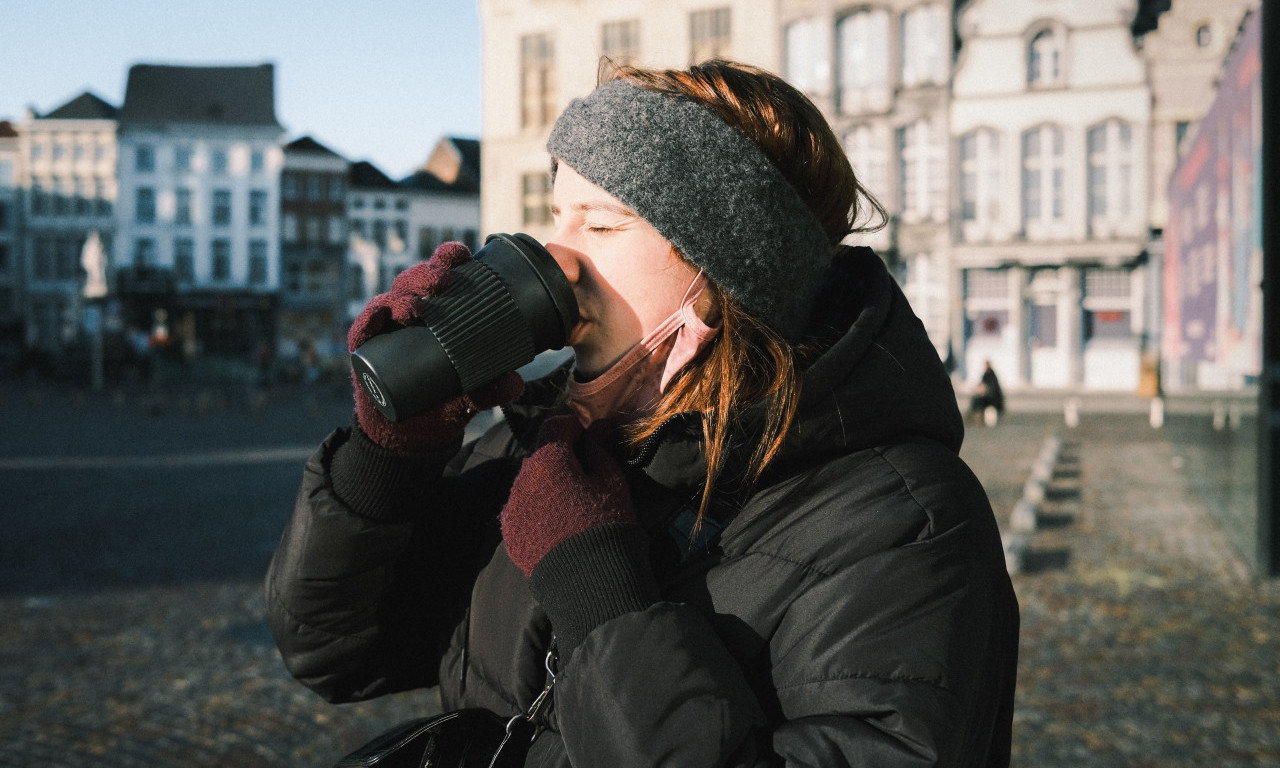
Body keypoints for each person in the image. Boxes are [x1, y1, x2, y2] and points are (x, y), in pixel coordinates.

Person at [266, 60, 1019, 766]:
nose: (557, 259)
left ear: (725, 276)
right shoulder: (548, 444)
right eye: (556, 217)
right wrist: (389, 458)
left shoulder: (907, 526)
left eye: (601, 225)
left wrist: (601, 595)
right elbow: (332, 651)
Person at [969, 360, 1005, 426]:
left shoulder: (991, 375)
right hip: (988, 396)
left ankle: (977, 415)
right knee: (976, 399)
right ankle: (976, 414)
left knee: (978, 400)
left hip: (993, 398)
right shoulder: (986, 375)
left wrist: (984, 390)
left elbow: (993, 388)